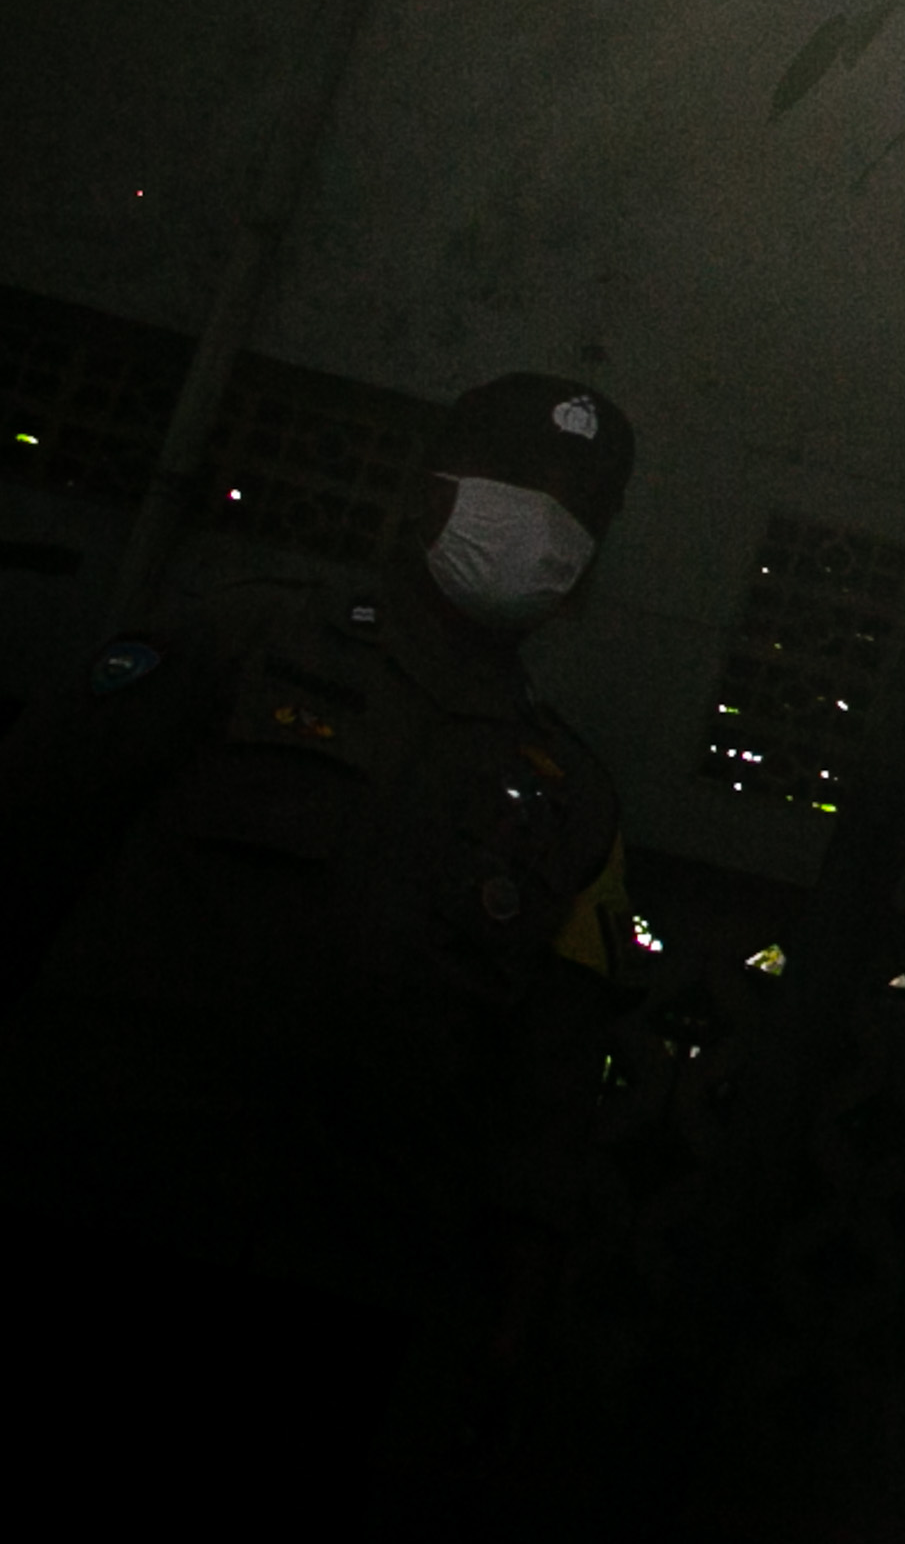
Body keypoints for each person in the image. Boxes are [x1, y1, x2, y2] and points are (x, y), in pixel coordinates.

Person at [0, 372, 642, 1520]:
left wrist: (514, 1286)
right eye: (520, 485)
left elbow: (549, 1076)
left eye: (576, 509)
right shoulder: (244, 638)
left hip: (333, 1282)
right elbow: (34, 832)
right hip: (88, 1204)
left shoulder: (570, 801)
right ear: (432, 493)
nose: (542, 523)